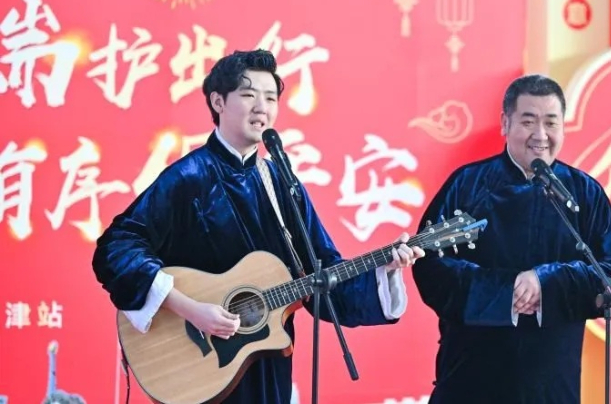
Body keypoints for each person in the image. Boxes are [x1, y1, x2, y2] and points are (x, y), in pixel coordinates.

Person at [92, 49, 425, 404]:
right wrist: (191, 309)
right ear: (218, 101)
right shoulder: (188, 178)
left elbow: (322, 270)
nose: (261, 108)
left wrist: (385, 269)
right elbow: (116, 248)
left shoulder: (281, 182)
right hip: (199, 369)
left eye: (270, 98)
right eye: (249, 95)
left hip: (267, 368)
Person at [411, 74, 611, 404]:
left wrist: (545, 283)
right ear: (505, 123)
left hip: (552, 384)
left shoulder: (584, 193)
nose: (540, 135)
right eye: (528, 122)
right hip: (470, 377)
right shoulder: (468, 184)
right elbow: (428, 264)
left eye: (551, 123)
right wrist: (505, 291)